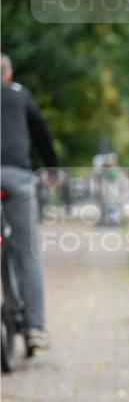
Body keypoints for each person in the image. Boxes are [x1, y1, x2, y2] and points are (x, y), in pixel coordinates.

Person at [0, 53, 59, 353]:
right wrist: (52, 167)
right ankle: (35, 327)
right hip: (16, 176)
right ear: (8, 75)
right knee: (27, 251)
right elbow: (41, 133)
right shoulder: (20, 94)